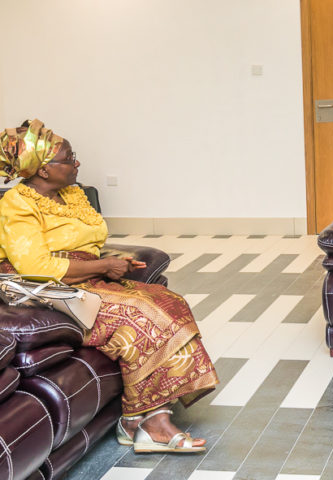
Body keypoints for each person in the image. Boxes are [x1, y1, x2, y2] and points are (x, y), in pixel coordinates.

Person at [0, 120, 219, 453]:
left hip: (83, 276)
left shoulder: (72, 195)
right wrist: (103, 266)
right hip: (45, 290)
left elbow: (86, 245)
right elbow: (37, 267)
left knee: (169, 301)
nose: (77, 163)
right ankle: (151, 425)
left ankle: (138, 423)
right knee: (140, 317)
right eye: (69, 158)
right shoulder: (16, 205)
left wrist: (114, 261)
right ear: (43, 170)